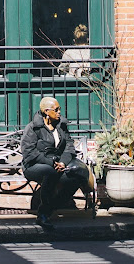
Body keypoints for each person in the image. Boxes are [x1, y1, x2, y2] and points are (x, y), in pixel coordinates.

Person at [20, 97, 92, 230]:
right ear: (47, 112)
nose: (59, 112)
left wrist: (63, 163)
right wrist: (51, 163)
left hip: (57, 165)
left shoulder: (61, 126)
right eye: (56, 110)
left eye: (59, 109)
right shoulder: (33, 128)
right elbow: (29, 153)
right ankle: (42, 215)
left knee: (74, 177)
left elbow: (69, 147)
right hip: (33, 166)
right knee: (50, 173)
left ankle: (50, 208)